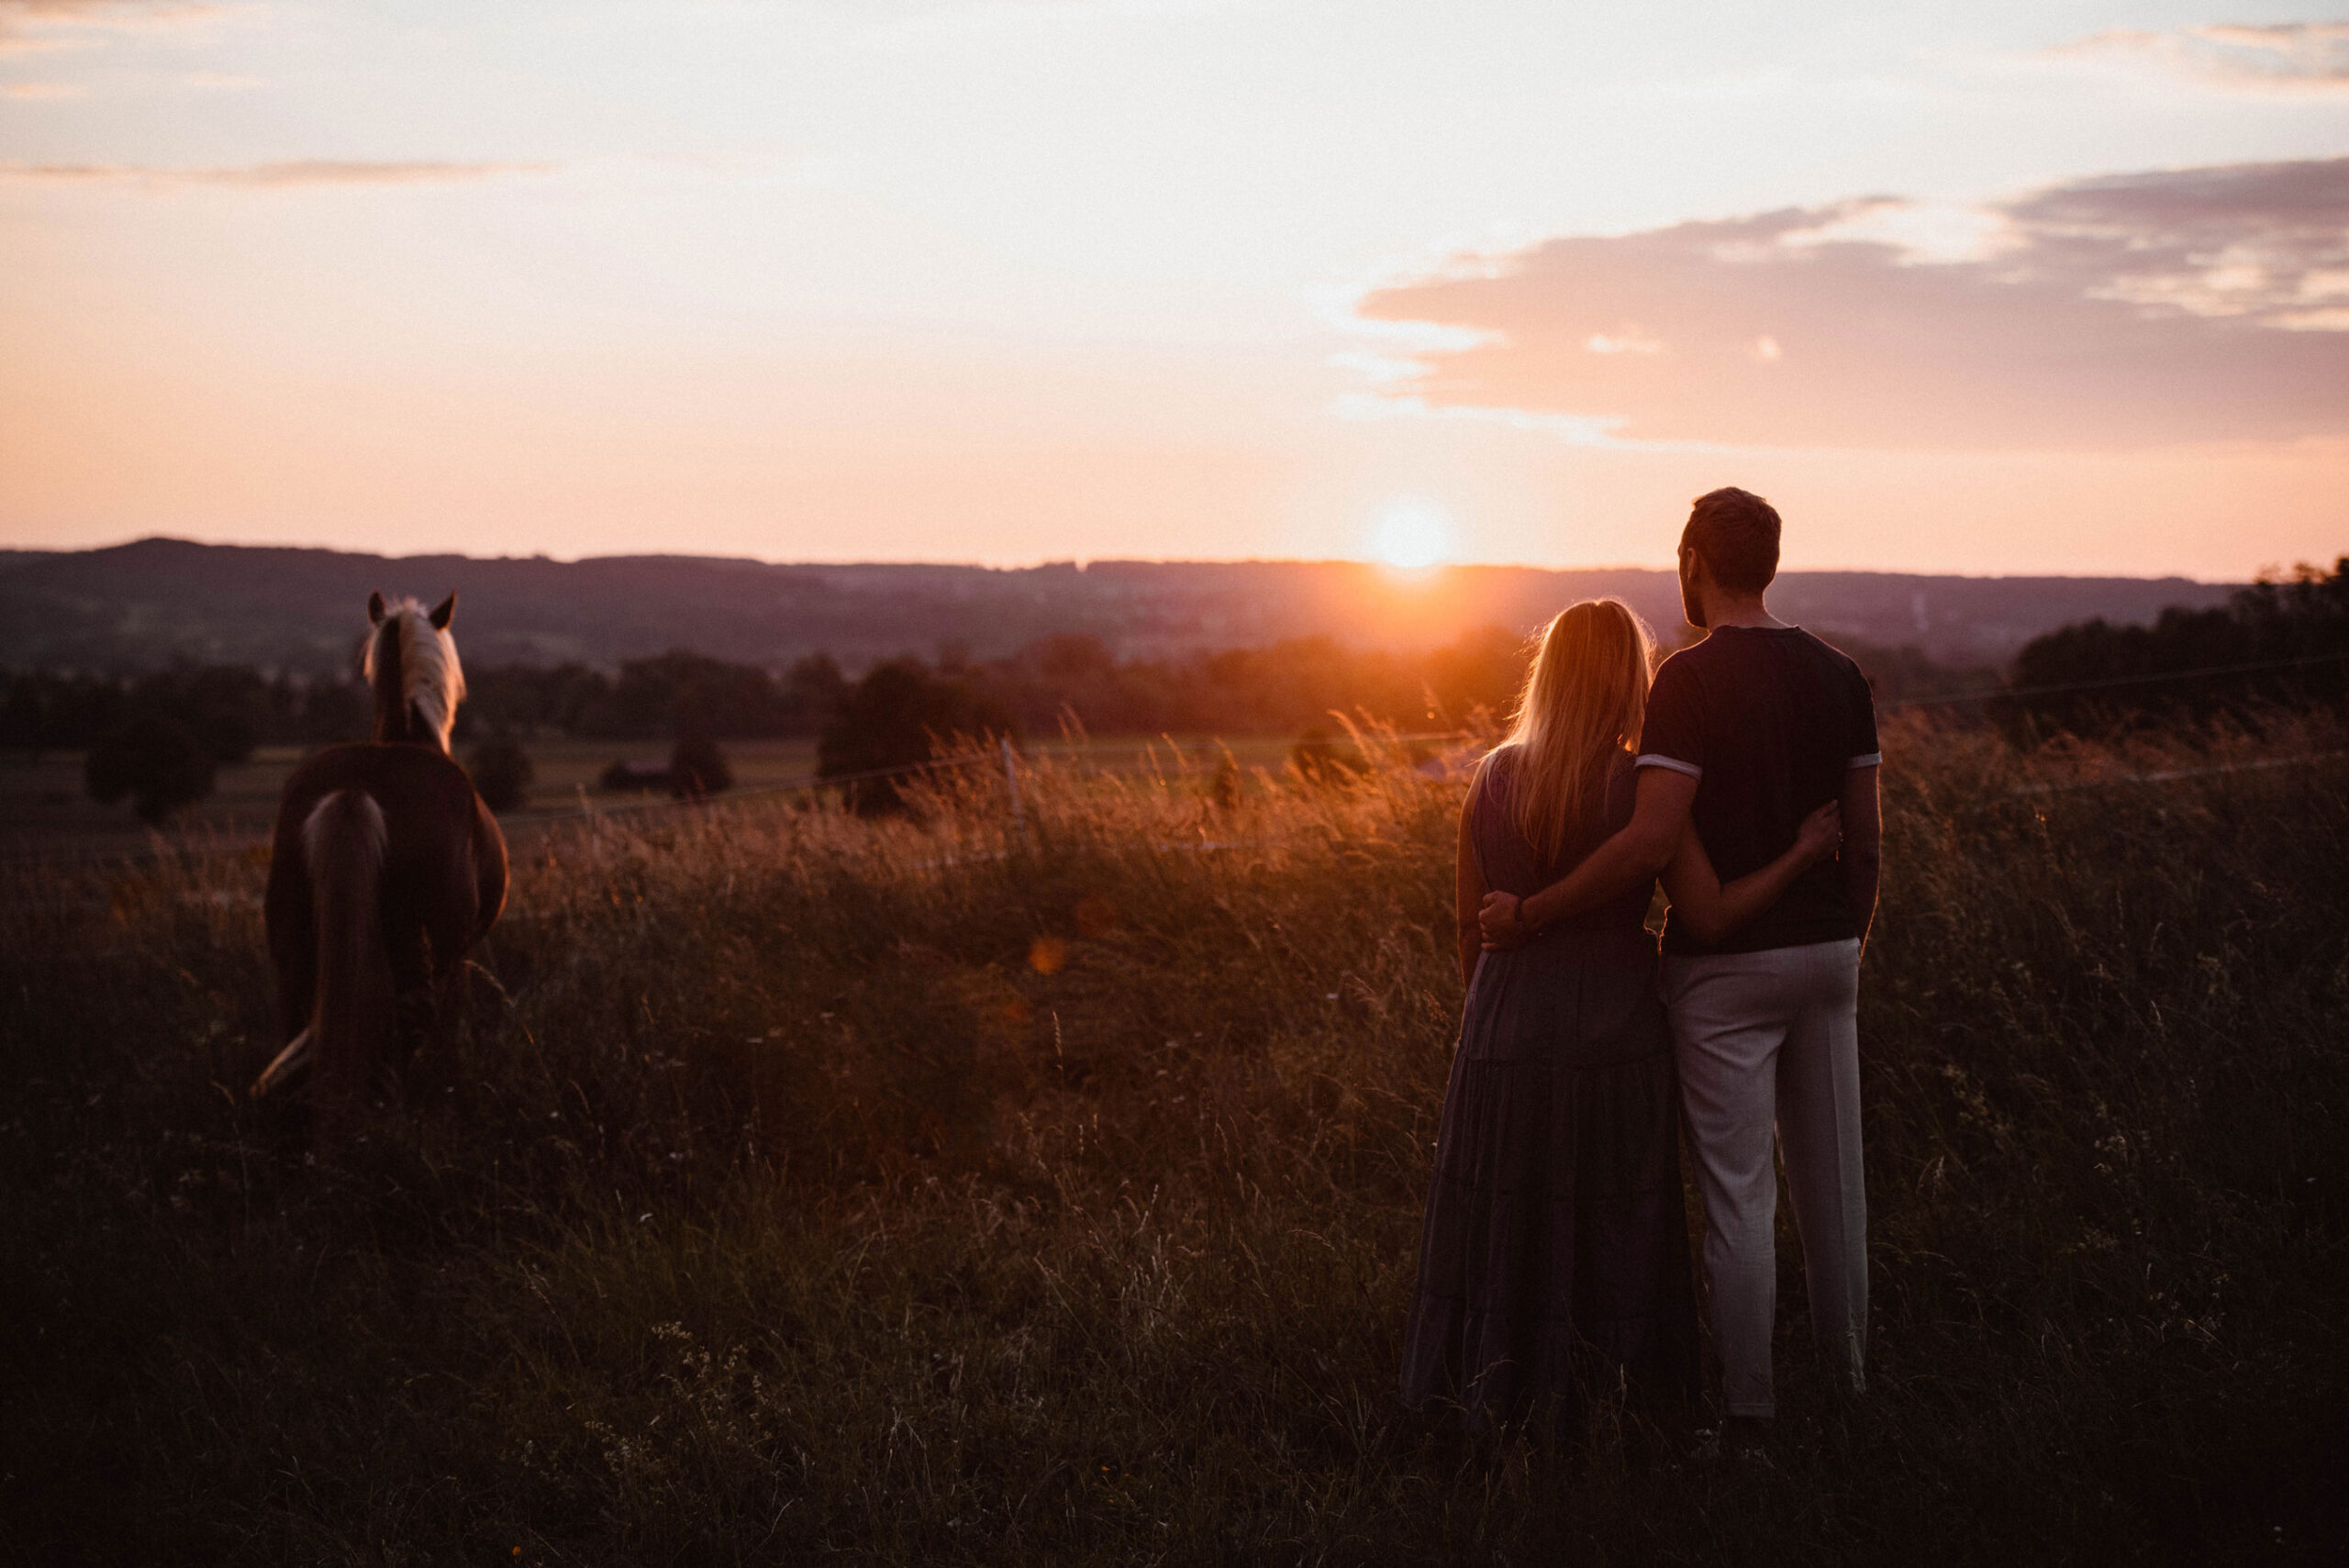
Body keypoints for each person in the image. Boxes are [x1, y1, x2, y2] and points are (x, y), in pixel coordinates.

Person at [1479, 488, 1882, 1450]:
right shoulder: (1841, 673)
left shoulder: (1687, 684)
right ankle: (1852, 1386)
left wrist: (1533, 911)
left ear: (1695, 560)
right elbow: (1865, 839)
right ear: (1771, 564)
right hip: (1827, 951)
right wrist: (1844, 938)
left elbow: (1651, 837)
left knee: (1741, 1192)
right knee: (1836, 1183)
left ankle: (1750, 1414)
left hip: (1722, 970)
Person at [1401, 596, 1845, 1433]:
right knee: (1612, 1217)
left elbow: (1469, 930)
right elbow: (1708, 916)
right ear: (1629, 681)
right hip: (1614, 1027)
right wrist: (1799, 854)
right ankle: (1615, 1407)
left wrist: (1498, 1020)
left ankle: (1488, 1393)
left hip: (1501, 1024)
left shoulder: (1491, 777)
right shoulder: (1644, 792)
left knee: (1507, 1215)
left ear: (1549, 675)